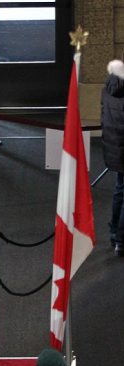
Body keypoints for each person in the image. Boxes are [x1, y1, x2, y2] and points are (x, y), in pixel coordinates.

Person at [101, 58, 124, 255]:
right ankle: (121, 240)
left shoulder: (109, 84)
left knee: (120, 189)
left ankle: (115, 232)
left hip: (114, 145)